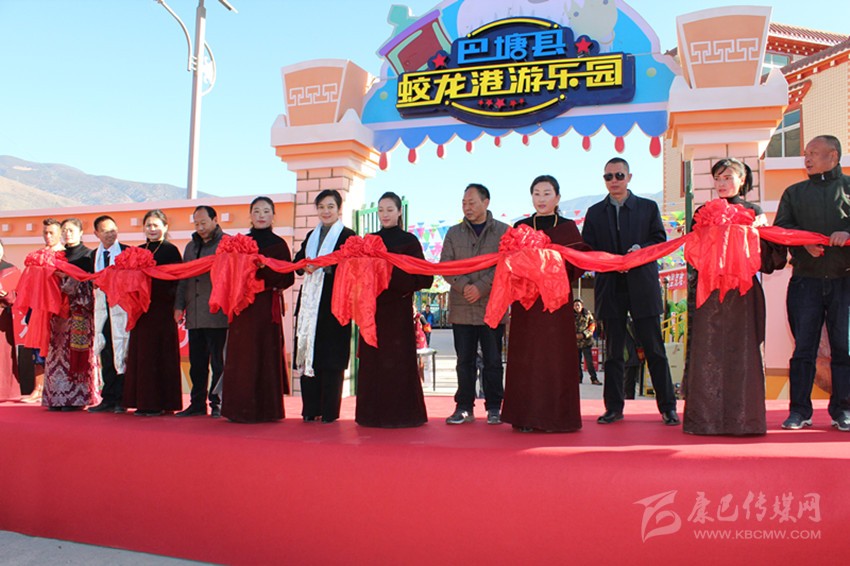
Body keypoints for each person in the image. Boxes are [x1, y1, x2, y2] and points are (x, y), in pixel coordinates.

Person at [683, 158, 785, 435]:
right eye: (718, 178)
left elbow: (770, 257)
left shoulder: (754, 212)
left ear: (742, 180)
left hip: (743, 293)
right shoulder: (702, 212)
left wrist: (757, 234)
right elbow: (692, 252)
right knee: (707, 352)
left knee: (744, 352)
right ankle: (705, 421)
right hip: (709, 293)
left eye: (728, 177)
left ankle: (745, 421)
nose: (722, 183)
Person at [582, 157, 679, 426]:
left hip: (642, 286)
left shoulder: (647, 208)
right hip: (610, 287)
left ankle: (668, 407)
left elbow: (659, 240)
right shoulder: (594, 212)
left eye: (619, 175)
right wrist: (607, 260)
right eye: (608, 176)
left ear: (629, 177)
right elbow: (587, 248)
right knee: (613, 353)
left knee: (654, 349)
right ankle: (613, 408)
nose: (614, 181)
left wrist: (640, 251)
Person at [774, 135, 850, 431]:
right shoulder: (794, 193)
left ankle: (843, 409)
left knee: (843, 349)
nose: (806, 158)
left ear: (833, 156)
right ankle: (799, 411)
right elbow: (781, 229)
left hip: (844, 279)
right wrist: (802, 243)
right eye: (805, 153)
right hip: (805, 281)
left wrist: (847, 233)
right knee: (803, 349)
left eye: (814, 153)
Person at [501, 175, 588, 432]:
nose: (541, 199)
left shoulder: (567, 227)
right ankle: (525, 417)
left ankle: (556, 418)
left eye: (547, 193)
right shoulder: (521, 227)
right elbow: (507, 260)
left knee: (554, 357)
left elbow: (579, 261)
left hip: (556, 303)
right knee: (526, 356)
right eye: (537, 193)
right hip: (527, 303)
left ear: (557, 198)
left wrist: (551, 265)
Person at [355, 192, 433, 428]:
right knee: (373, 362)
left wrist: (391, 276)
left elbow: (424, 277)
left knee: (398, 362)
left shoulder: (409, 241)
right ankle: (371, 415)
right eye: (381, 210)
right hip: (373, 312)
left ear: (399, 212)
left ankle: (402, 415)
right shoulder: (369, 241)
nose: (385, 214)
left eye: (390, 209)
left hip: (398, 310)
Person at [221, 197, 294, 423]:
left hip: (265, 307)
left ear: (273, 215)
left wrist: (263, 268)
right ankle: (238, 409)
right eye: (257, 211)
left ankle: (266, 410)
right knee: (242, 356)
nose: (261, 215)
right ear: (250, 215)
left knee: (264, 354)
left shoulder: (279, 245)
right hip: (242, 307)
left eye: (266, 211)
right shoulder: (239, 243)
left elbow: (287, 278)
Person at [441, 183, 509, 425]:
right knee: (464, 361)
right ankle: (464, 406)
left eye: (471, 202)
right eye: (464, 203)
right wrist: (464, 286)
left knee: (493, 360)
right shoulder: (453, 233)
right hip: (462, 307)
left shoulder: (504, 231)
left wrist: (481, 287)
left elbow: (506, 264)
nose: (467, 207)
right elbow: (445, 266)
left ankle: (494, 407)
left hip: (492, 306)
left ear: (486, 202)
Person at [293, 189, 356, 423]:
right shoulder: (312, 235)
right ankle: (310, 409)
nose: (326, 211)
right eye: (321, 207)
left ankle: (329, 411)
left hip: (334, 303)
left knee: (331, 358)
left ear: (339, 209)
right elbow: (298, 261)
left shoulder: (348, 236)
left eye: (330, 206)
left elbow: (352, 267)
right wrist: (304, 265)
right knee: (309, 353)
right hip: (310, 304)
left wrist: (324, 266)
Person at [122, 210, 183, 416]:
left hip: (162, 309)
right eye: (148, 225)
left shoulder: (171, 251)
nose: (152, 229)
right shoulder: (137, 251)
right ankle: (142, 401)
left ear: (165, 227)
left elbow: (177, 279)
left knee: (160, 354)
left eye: (156, 225)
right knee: (142, 355)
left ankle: (161, 403)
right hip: (141, 310)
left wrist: (175, 304)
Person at [174, 205, 229, 418]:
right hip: (195, 313)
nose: (200, 227)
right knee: (196, 363)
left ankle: (217, 403)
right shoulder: (190, 247)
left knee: (218, 362)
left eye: (204, 223)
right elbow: (183, 277)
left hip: (218, 314)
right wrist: (179, 306)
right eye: (196, 224)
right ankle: (197, 403)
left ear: (215, 220)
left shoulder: (227, 244)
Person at [42, 218, 97, 411]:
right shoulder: (57, 256)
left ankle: (77, 398)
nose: (67, 234)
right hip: (57, 314)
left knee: (77, 353)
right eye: (64, 230)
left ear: (81, 232)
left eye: (71, 230)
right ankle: (55, 398)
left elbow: (92, 283)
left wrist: (71, 279)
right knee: (56, 354)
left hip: (79, 313)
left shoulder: (89, 255)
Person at [88, 215, 130, 413]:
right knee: (106, 351)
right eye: (105, 231)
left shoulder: (128, 253)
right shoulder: (92, 256)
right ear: (96, 233)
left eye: (113, 230)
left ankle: (123, 397)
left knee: (122, 352)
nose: (110, 234)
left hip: (122, 310)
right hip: (102, 311)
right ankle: (108, 397)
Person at [20, 218, 64, 404]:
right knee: (37, 348)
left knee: (57, 347)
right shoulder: (37, 255)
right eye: (45, 233)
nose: (48, 236)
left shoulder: (64, 255)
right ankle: (38, 388)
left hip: (56, 307)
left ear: (60, 233)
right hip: (37, 306)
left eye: (52, 232)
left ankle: (54, 388)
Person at [0, 240, 21, 401]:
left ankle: (4, 391)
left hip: (2, 317)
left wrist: (6, 295)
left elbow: (17, 297)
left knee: (3, 356)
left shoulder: (10, 270)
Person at [574, 298, 601, 385]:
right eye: (575, 305)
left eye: (578, 305)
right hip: (575, 342)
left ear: (582, 306)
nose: (577, 307)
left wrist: (584, 334)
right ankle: (578, 378)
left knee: (589, 362)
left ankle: (594, 378)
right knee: (576, 362)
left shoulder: (587, 314)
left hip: (586, 342)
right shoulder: (571, 315)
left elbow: (592, 325)